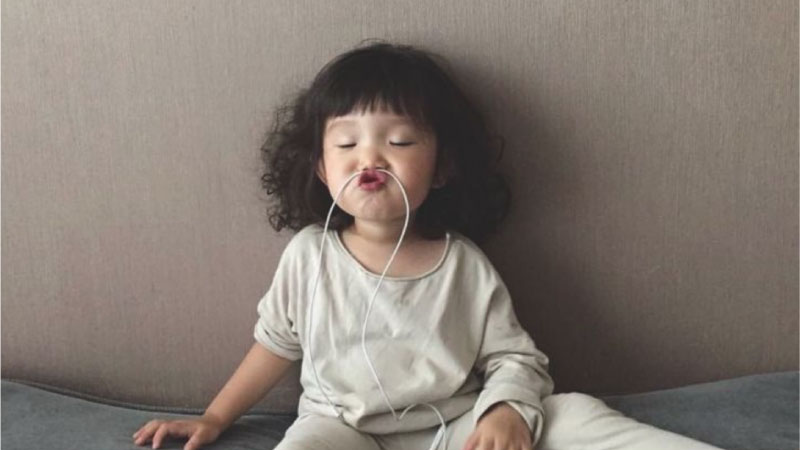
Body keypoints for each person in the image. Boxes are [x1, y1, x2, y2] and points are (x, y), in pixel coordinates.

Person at [132, 41, 721, 450]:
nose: (370, 157)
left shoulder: (463, 264)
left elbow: (515, 359)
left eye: (399, 141)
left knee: (573, 414)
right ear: (319, 167)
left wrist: (505, 410)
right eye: (347, 144)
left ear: (441, 168)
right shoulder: (310, 257)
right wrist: (215, 416)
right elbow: (274, 345)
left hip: (455, 428)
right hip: (342, 429)